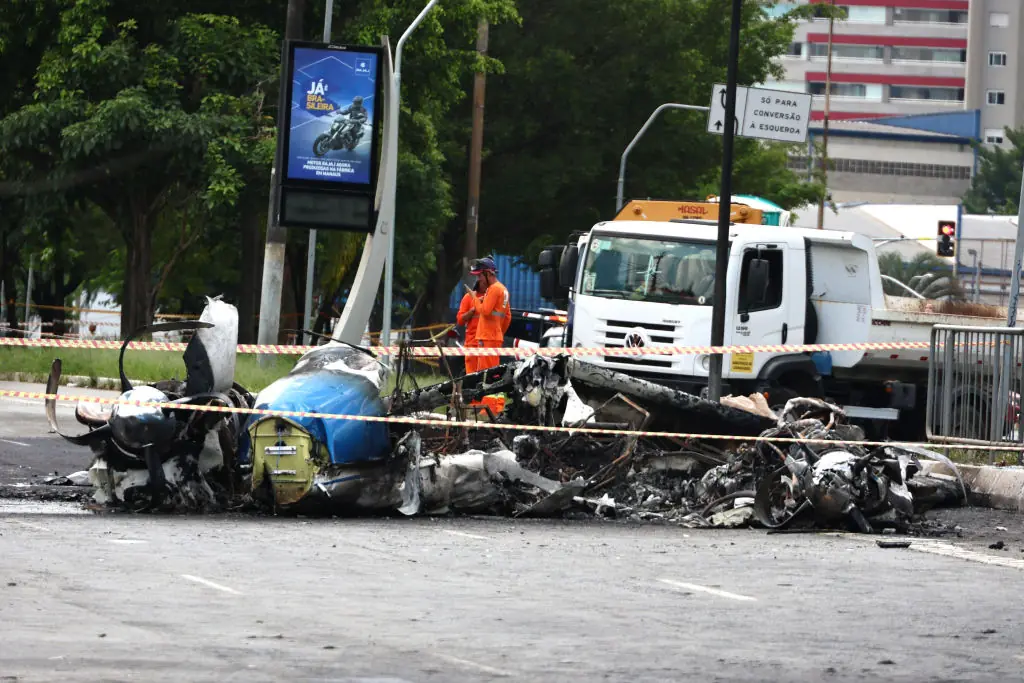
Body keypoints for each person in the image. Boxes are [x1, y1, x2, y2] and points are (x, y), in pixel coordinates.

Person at [467, 257, 511, 372]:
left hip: (487, 337)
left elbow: (485, 311)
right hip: (494, 336)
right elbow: (507, 317)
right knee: (492, 372)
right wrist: (499, 333)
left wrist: (474, 298)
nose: (479, 279)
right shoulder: (503, 289)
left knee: (485, 374)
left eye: (480, 275)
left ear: (488, 273)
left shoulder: (493, 289)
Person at [456, 277, 487, 374]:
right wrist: (473, 310)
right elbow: (460, 320)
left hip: (488, 344)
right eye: (483, 282)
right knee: (471, 378)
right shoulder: (468, 297)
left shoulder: (493, 297)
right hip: (472, 344)